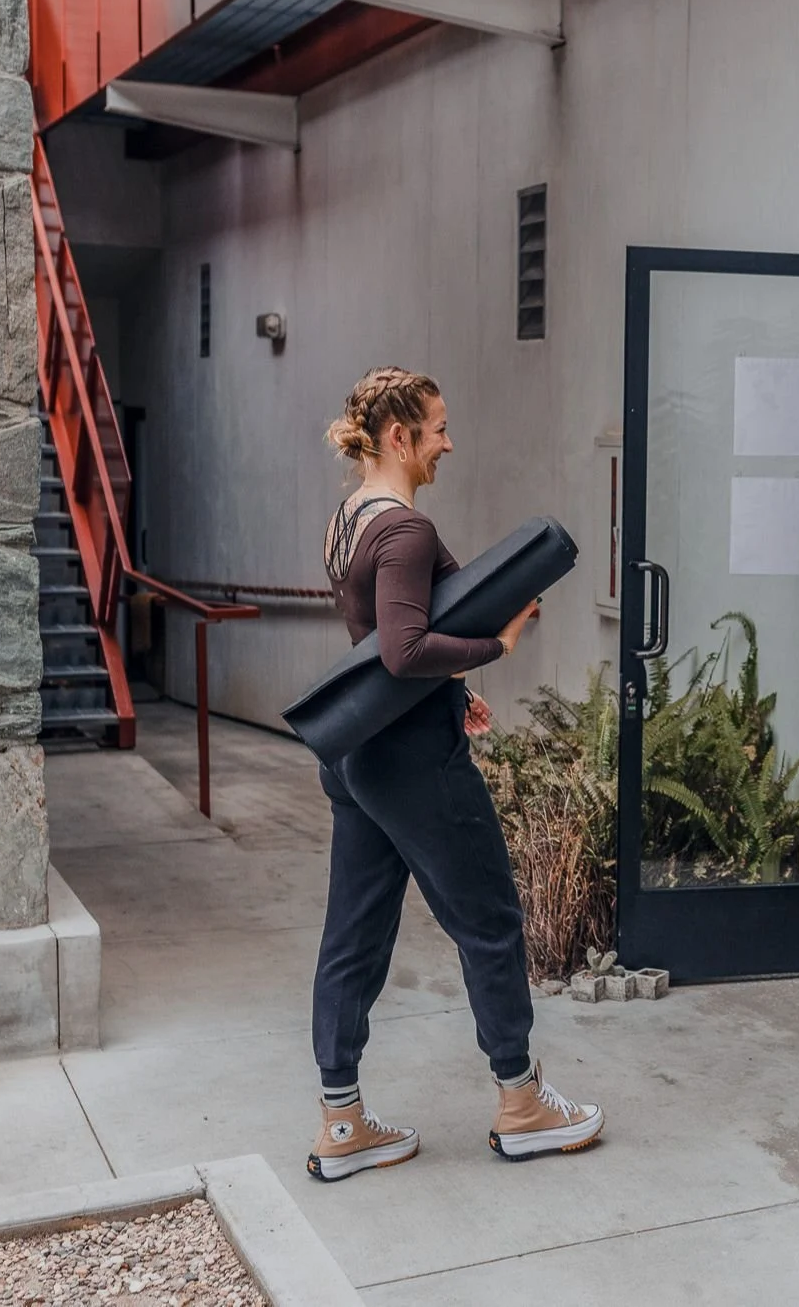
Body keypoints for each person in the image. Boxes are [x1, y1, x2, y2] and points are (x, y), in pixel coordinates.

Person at [306, 365, 604, 1182]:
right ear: (398, 435)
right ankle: (522, 1101)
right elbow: (404, 648)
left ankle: (342, 1121)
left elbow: (378, 641)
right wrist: (494, 650)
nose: (447, 440)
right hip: (412, 761)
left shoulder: (349, 519)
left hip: (362, 752)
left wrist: (453, 689)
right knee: (490, 919)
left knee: (354, 933)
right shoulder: (403, 528)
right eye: (436, 426)